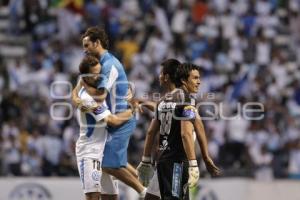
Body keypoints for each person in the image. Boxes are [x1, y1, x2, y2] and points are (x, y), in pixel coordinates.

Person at [72, 27, 146, 200]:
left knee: (108, 164)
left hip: (121, 118)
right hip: (108, 125)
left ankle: (144, 193)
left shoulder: (107, 65)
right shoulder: (101, 66)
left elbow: (101, 95)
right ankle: (146, 183)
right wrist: (77, 92)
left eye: (87, 45)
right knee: (110, 164)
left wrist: (77, 92)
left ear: (97, 43)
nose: (84, 49)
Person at [137, 63, 220, 200]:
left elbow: (151, 132)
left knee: (151, 198)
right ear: (183, 80)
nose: (199, 82)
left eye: (199, 78)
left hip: (162, 161)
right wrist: (194, 164)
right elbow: (185, 133)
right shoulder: (187, 100)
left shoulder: (162, 101)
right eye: (194, 78)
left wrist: (145, 160)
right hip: (177, 162)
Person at [75, 56, 134, 200]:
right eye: (94, 74)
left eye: (100, 73)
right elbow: (112, 120)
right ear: (85, 77)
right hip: (90, 152)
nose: (99, 77)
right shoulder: (87, 99)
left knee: (112, 197)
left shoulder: (100, 92)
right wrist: (133, 110)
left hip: (104, 151)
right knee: (93, 196)